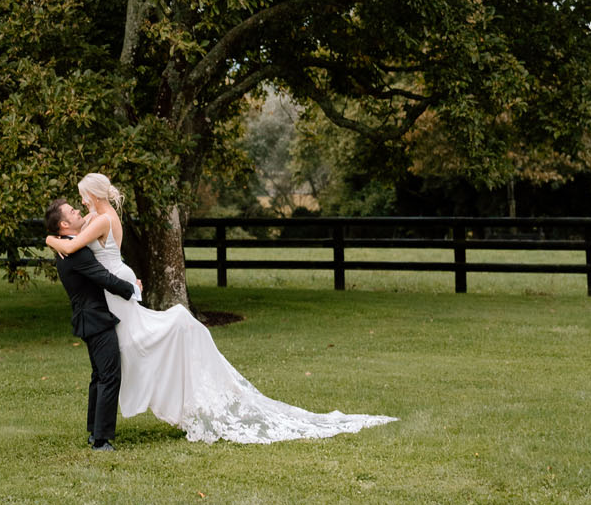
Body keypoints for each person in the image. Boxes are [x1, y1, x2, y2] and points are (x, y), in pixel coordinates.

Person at [46, 172, 396, 445]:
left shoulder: (100, 220)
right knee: (123, 353)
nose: (81, 203)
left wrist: (49, 238)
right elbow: (72, 241)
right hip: (115, 286)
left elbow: (72, 245)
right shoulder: (99, 217)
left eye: (82, 197)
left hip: (115, 288)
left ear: (93, 195)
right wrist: (53, 237)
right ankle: (109, 423)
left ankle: (116, 422)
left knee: (130, 349)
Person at [44, 197, 136, 451]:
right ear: (64, 224)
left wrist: (50, 239)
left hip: (89, 317)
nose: (77, 211)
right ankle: (101, 440)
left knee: (99, 376)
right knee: (109, 376)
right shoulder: (76, 252)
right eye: (72, 211)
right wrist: (132, 289)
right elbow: (103, 278)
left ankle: (94, 432)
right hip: (95, 319)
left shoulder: (68, 247)